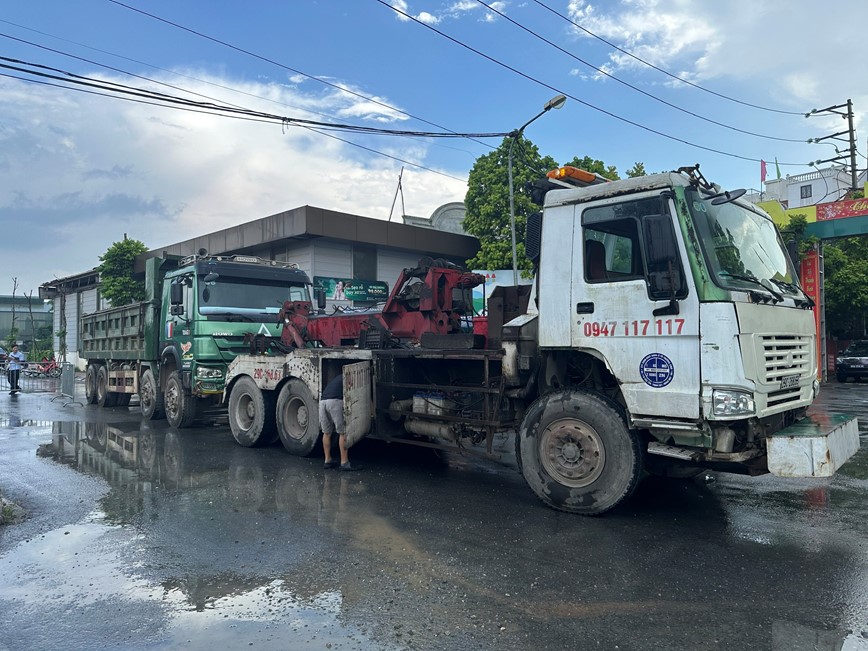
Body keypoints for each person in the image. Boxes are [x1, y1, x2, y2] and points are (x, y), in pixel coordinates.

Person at [319, 371, 360, 471]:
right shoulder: (349, 376)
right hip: (335, 402)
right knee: (343, 432)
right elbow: (351, 388)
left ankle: (327, 460)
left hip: (323, 402)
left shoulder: (338, 378)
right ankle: (344, 462)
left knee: (326, 433)